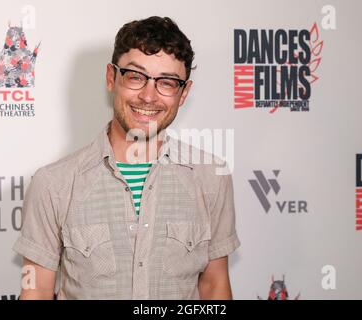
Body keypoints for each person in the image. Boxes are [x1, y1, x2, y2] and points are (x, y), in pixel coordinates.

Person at [13, 16, 240, 300]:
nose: (148, 96)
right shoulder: (53, 184)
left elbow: (214, 287)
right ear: (112, 77)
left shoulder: (211, 178)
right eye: (136, 77)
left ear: (183, 93)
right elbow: (36, 292)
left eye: (167, 83)